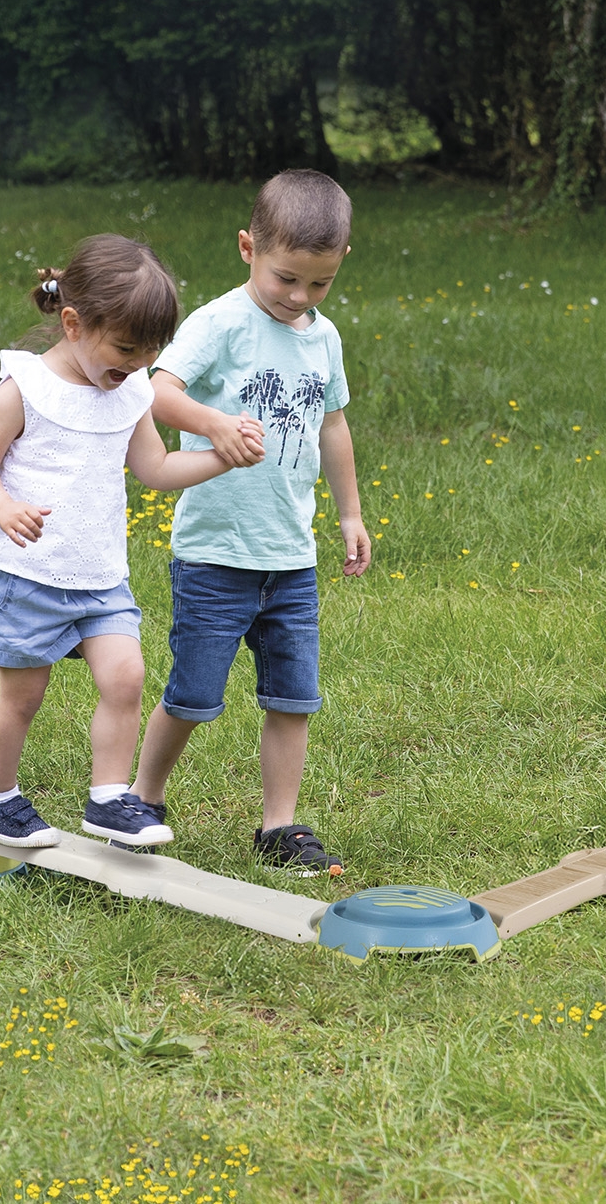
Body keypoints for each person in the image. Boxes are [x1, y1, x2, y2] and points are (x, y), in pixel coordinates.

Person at [0, 234, 246, 848]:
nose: (135, 366)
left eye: (149, 355)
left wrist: (221, 458)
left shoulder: (132, 391)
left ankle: (111, 799)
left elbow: (158, 471)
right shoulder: (25, 388)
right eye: (123, 350)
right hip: (26, 576)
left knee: (126, 678)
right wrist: (1, 505)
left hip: (100, 577)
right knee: (23, 698)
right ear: (72, 323)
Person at [129, 169, 370, 875]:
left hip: (290, 556)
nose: (300, 297)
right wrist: (213, 424)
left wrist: (349, 512)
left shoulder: (323, 338)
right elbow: (158, 392)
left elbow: (333, 426)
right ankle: (141, 800)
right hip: (215, 551)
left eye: (318, 283)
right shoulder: (220, 323)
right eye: (286, 278)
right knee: (194, 695)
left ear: (340, 265)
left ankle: (280, 827)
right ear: (247, 248)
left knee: (293, 697)